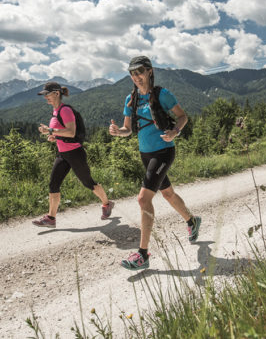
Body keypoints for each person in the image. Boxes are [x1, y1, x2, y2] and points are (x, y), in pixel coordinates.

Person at [109, 56, 201, 271]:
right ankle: (192, 221)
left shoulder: (162, 94)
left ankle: (143, 254)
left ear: (149, 71)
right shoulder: (130, 99)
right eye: (132, 73)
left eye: (139, 72)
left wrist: (175, 131)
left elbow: (182, 117)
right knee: (167, 194)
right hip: (146, 154)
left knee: (143, 199)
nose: (136, 77)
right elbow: (128, 129)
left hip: (163, 152)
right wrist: (117, 132)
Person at [32, 81, 114, 228]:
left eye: (47, 95)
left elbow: (71, 132)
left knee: (88, 183)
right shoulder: (55, 112)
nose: (45, 98)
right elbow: (63, 133)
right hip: (62, 154)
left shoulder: (65, 110)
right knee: (53, 184)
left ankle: (107, 204)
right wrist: (54, 137)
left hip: (75, 153)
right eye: (44, 95)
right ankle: (51, 218)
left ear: (57, 93)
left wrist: (50, 131)